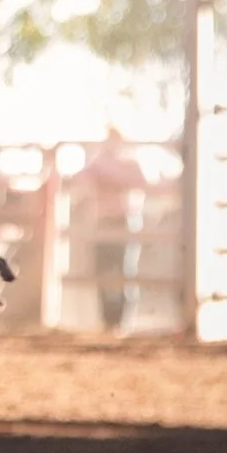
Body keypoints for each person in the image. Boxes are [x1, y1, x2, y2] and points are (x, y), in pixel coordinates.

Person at [73, 128, 155, 333]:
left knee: (123, 271)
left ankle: (121, 321)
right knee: (103, 270)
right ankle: (107, 320)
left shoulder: (129, 164)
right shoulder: (98, 163)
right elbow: (81, 179)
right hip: (103, 221)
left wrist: (112, 179)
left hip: (122, 221)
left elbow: (143, 185)